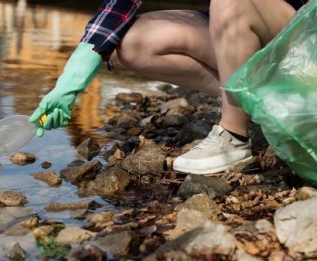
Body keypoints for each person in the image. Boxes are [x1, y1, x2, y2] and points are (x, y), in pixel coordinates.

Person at [29, 0, 307, 175]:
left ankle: (233, 136)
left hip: (306, 38)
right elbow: (119, 6)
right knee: (136, 42)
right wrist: (71, 80)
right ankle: (270, 105)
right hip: (260, 36)